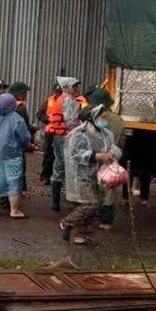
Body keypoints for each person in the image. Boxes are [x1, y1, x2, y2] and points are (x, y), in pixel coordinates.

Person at [62, 105, 121, 244]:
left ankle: (82, 235)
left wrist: (112, 154)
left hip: (98, 175)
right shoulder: (78, 134)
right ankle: (67, 222)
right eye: (102, 117)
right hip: (80, 175)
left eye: (106, 117)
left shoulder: (106, 134)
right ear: (92, 118)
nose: (104, 120)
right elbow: (73, 154)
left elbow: (114, 148)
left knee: (97, 205)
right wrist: (97, 156)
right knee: (90, 204)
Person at [0, 92, 32, 219]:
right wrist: (24, 146)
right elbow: (24, 138)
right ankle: (14, 210)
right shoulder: (17, 119)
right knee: (13, 182)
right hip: (12, 156)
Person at [48, 77, 88, 212]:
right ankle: (68, 201)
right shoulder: (65, 101)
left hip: (64, 137)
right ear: (66, 87)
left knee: (61, 168)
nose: (76, 88)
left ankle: (57, 203)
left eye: (76, 86)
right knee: (69, 167)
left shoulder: (69, 100)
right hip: (65, 138)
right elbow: (69, 122)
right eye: (74, 86)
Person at [10, 81, 37, 196]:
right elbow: (23, 126)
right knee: (21, 165)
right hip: (18, 141)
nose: (26, 95)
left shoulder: (8, 105)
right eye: (24, 92)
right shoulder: (21, 108)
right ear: (19, 94)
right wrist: (30, 139)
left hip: (8, 140)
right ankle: (22, 189)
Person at [38, 83, 64, 185]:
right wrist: (47, 119)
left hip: (61, 132)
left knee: (60, 156)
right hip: (50, 131)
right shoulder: (48, 101)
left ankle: (58, 178)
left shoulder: (66, 101)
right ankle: (45, 177)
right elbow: (39, 114)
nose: (58, 94)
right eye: (56, 92)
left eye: (59, 92)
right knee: (48, 154)